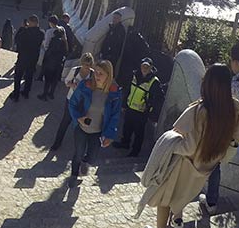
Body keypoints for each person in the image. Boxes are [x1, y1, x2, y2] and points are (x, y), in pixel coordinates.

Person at [140, 64, 239, 228]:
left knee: (166, 197)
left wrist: (171, 145)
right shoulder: (237, 108)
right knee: (184, 194)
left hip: (184, 165)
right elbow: (238, 138)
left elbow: (186, 143)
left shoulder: (199, 110)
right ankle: (177, 219)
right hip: (208, 166)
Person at [199, 41, 239, 216]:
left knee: (212, 162)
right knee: (217, 161)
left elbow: (217, 105)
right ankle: (211, 200)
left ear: (235, 61)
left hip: (224, 127)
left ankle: (210, 200)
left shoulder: (232, 85)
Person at [67, 59, 122, 187]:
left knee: (92, 157)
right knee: (78, 153)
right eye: (95, 72)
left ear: (109, 75)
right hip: (81, 128)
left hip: (97, 132)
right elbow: (72, 103)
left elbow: (115, 116)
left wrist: (109, 135)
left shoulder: (114, 93)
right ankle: (74, 175)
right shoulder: (85, 86)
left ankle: (85, 163)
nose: (97, 76)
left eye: (101, 73)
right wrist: (79, 117)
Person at [113, 57, 163, 157]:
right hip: (130, 107)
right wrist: (124, 104)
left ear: (151, 68)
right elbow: (128, 90)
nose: (144, 68)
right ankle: (125, 143)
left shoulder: (154, 82)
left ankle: (135, 151)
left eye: (147, 66)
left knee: (138, 133)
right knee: (127, 127)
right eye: (143, 66)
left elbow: (159, 98)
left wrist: (150, 108)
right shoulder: (134, 75)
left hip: (141, 111)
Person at [51, 53, 94, 150]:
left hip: (83, 102)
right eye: (85, 64)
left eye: (89, 65)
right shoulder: (75, 71)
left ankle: (79, 146)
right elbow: (66, 82)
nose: (87, 67)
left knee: (81, 124)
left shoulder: (92, 74)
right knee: (65, 121)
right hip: (71, 99)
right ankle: (57, 143)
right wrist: (73, 85)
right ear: (82, 63)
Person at [11, 15, 45, 101]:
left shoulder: (25, 32)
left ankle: (16, 94)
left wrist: (22, 28)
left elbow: (17, 39)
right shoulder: (41, 33)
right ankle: (26, 92)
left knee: (18, 76)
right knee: (29, 76)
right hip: (33, 58)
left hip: (23, 57)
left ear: (31, 22)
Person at [38, 27, 69, 101]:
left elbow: (49, 51)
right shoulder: (63, 42)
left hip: (51, 63)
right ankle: (51, 93)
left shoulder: (54, 40)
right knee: (54, 80)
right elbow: (66, 52)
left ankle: (44, 95)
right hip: (59, 64)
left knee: (48, 80)